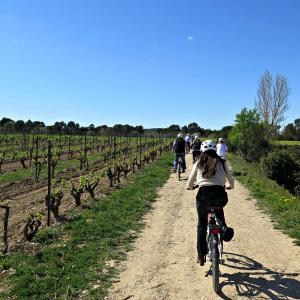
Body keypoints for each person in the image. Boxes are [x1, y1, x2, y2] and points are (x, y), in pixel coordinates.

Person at [186, 140, 234, 266]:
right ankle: (223, 228)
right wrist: (228, 185)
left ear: (202, 151)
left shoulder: (199, 162)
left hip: (203, 198)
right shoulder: (222, 162)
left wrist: (191, 187)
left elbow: (189, 182)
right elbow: (231, 181)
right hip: (220, 197)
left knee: (202, 225)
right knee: (218, 208)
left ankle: (201, 255)